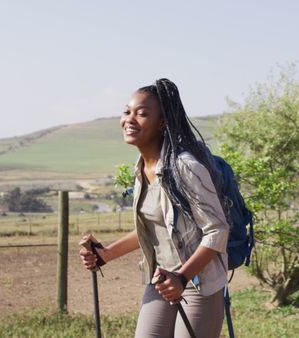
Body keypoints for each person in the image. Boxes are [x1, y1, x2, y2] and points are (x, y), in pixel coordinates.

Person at [80, 78, 230, 338]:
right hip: (161, 280)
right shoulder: (140, 168)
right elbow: (153, 227)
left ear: (162, 123)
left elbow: (217, 230)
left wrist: (182, 278)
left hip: (199, 283)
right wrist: (106, 254)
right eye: (127, 112)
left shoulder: (185, 167)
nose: (130, 119)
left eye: (142, 113)